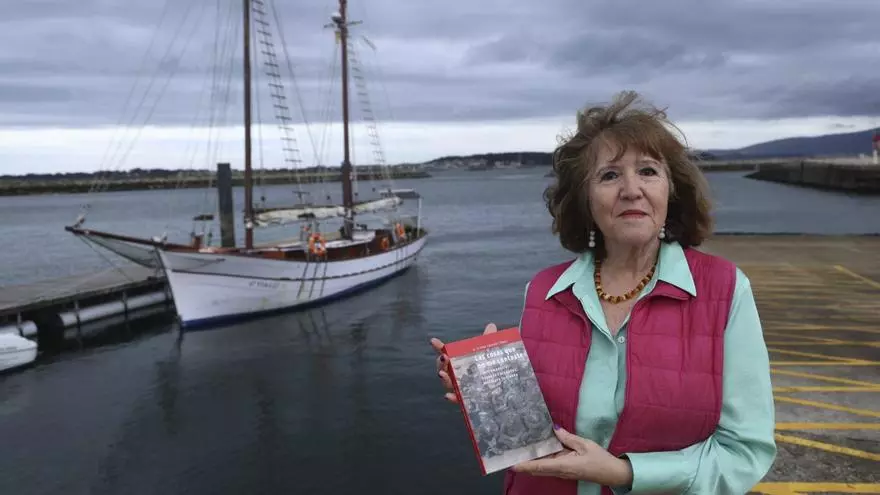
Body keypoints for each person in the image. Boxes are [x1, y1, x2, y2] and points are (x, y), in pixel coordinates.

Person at [430, 90, 776, 495]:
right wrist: (489, 393)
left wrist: (625, 473)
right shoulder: (543, 291)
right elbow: (525, 441)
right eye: (609, 175)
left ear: (671, 190)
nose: (631, 189)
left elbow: (745, 452)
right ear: (585, 200)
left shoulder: (725, 289)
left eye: (648, 171)